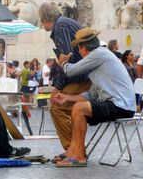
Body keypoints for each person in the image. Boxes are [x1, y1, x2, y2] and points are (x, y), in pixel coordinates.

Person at [51, 27, 136, 167]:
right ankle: (73, 150)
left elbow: (70, 71)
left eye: (79, 49)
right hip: (117, 105)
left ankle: (78, 156)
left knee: (79, 109)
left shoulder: (99, 54)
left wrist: (63, 62)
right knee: (76, 107)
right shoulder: (99, 60)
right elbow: (91, 95)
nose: (79, 52)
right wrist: (67, 97)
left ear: (83, 49)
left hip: (121, 106)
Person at [38, 2, 90, 162]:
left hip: (80, 77)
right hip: (82, 76)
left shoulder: (61, 27)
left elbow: (67, 60)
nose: (41, 24)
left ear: (46, 18)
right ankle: (75, 148)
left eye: (41, 20)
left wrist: (57, 87)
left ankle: (74, 150)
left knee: (57, 107)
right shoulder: (65, 23)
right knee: (66, 108)